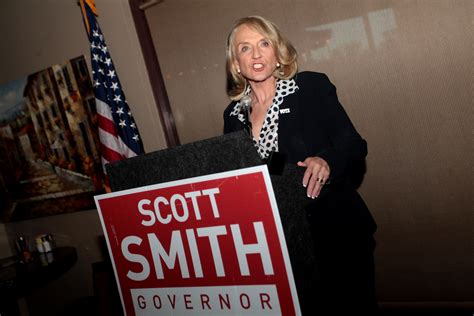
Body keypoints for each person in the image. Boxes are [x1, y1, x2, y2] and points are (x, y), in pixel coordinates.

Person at [223, 16, 378, 314]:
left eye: (264, 44)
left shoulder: (309, 88)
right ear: (236, 63)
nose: (256, 54)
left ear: (277, 51)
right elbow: (260, 170)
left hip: (336, 234)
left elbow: (353, 144)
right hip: (280, 247)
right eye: (245, 48)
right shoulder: (233, 116)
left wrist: (326, 161)